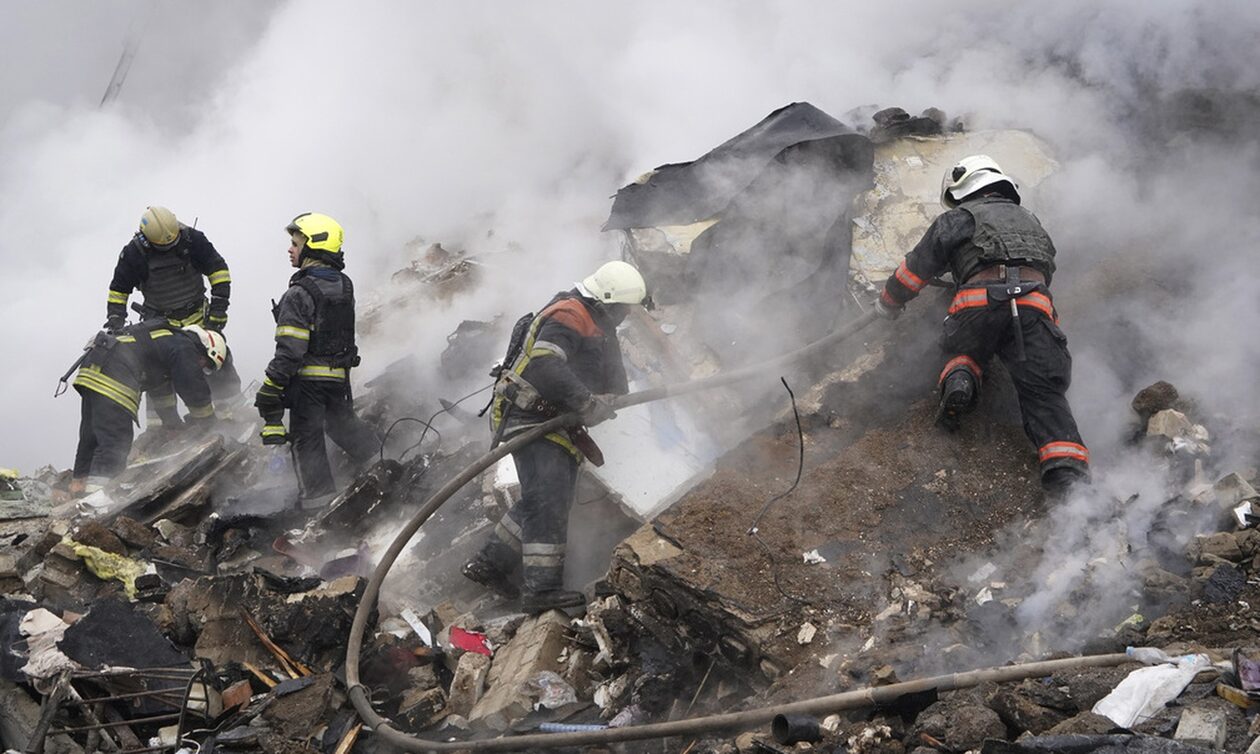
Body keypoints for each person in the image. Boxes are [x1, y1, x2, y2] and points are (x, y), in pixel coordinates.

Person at [874, 154, 1089, 494]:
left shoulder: (958, 218)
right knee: (1044, 392)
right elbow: (1046, 270)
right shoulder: (1032, 222)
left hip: (977, 302)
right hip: (1034, 305)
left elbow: (915, 270)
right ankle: (1068, 476)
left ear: (963, 189)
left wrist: (888, 304)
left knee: (963, 349)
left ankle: (961, 382)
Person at [462, 260, 652, 613]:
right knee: (548, 497)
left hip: (557, 424)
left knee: (542, 497)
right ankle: (541, 590)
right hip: (530, 418)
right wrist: (585, 400)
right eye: (624, 308)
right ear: (608, 301)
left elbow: (617, 387)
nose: (626, 315)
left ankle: (489, 563)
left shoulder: (600, 328)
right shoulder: (570, 313)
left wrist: (608, 399)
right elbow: (545, 364)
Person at [254, 212, 378, 508]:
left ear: (313, 246)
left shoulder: (299, 293)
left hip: (307, 384)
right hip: (338, 379)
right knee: (342, 425)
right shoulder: (344, 285)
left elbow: (290, 350)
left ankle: (318, 508)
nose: (290, 249)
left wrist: (270, 386)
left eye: (295, 243)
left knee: (306, 440)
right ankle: (385, 464)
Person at [70, 324, 227, 495]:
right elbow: (193, 388)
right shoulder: (184, 347)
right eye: (207, 365)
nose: (203, 369)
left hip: (93, 368)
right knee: (116, 440)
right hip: (115, 372)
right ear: (206, 350)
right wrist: (208, 422)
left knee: (91, 434)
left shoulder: (165, 342)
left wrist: (172, 424)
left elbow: (161, 395)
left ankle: (79, 484)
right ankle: (96, 500)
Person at [105, 206, 241, 403]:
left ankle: (233, 407)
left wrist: (218, 311)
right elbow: (119, 289)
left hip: (198, 318)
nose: (169, 248)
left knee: (217, 357)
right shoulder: (134, 253)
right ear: (146, 239)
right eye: (162, 247)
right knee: (156, 373)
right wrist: (115, 319)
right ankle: (164, 426)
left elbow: (218, 271)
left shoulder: (193, 240)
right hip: (160, 326)